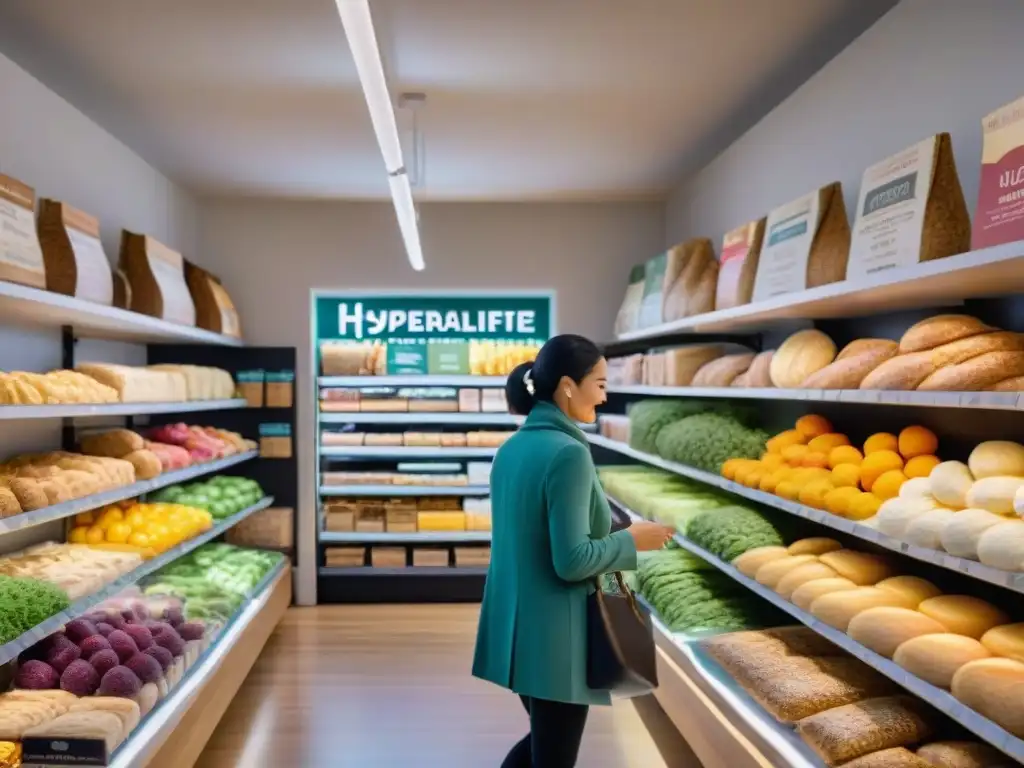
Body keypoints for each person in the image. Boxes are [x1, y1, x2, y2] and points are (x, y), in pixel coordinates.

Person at [473, 334, 675, 767]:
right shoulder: (569, 453)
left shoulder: (512, 449)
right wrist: (632, 541)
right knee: (552, 755)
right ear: (568, 386)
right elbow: (571, 562)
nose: (604, 397)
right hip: (555, 635)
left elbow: (529, 539)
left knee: (542, 747)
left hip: (515, 629)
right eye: (599, 384)